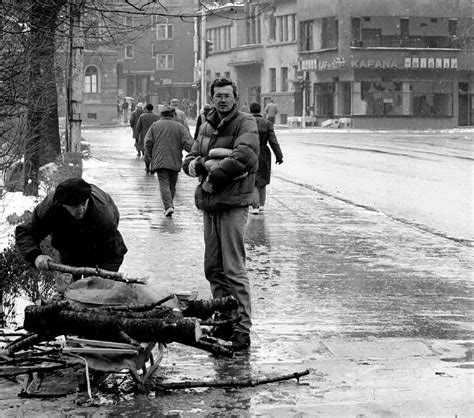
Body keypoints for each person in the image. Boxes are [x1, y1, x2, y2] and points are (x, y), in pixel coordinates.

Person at [183, 77, 259, 351]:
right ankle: (225, 319)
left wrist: (212, 171)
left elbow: (244, 158)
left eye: (228, 95)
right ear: (212, 98)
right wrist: (205, 162)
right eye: (218, 96)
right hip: (210, 204)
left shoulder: (245, 123)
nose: (223, 100)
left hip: (233, 205)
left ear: (235, 97)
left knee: (233, 269)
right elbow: (189, 159)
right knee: (213, 267)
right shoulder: (205, 125)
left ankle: (242, 328)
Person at [15, 178, 128, 288]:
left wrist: (93, 276)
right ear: (64, 204)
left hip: (105, 250)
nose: (80, 210)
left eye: (84, 203)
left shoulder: (104, 216)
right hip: (68, 245)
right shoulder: (51, 207)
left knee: (93, 290)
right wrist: (36, 256)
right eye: (74, 206)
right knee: (66, 288)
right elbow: (25, 232)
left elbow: (113, 250)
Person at [144, 106, 194, 217]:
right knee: (172, 184)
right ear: (173, 115)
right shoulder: (180, 127)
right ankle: (169, 205)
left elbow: (148, 142)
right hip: (175, 159)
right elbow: (188, 143)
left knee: (163, 184)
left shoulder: (155, 126)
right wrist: (195, 152)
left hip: (160, 159)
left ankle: (168, 206)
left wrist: (151, 155)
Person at [248, 102, 283, 214]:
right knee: (263, 178)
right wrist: (279, 156)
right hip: (264, 152)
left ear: (250, 110)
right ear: (260, 110)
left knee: (252, 178)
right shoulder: (267, 123)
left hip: (250, 151)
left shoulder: (247, 122)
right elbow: (273, 141)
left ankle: (255, 205)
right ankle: (261, 204)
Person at [136, 103, 160, 173]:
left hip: (144, 136)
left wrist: (139, 134)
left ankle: (147, 167)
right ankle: (153, 167)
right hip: (154, 136)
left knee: (146, 152)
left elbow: (138, 127)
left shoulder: (142, 116)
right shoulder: (156, 117)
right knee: (153, 152)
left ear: (146, 108)